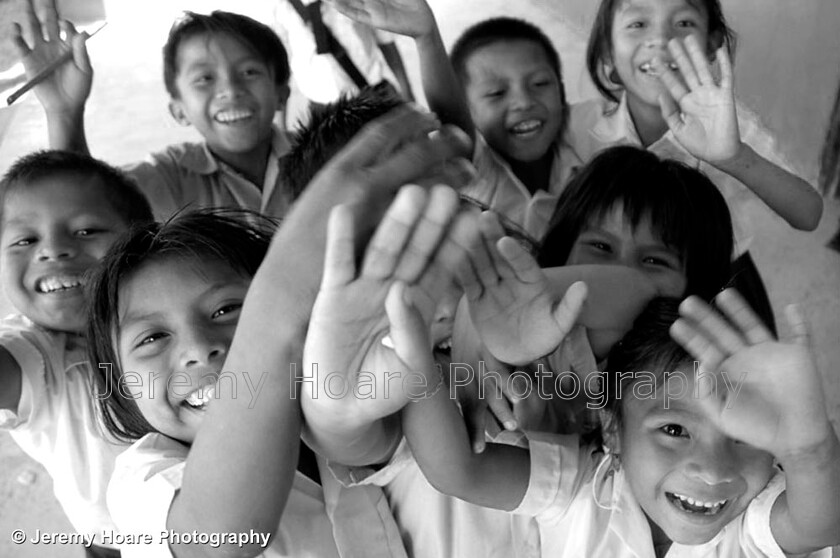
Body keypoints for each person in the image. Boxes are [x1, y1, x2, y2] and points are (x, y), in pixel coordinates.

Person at [399, 288, 840, 556]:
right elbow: (459, 470)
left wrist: (810, 449)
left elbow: (821, 524)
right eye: (674, 430)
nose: (711, 467)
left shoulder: (757, 517)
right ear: (612, 428)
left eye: (743, 437)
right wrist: (411, 353)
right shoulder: (578, 487)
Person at [0, 150, 154, 557]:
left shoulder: (176, 313)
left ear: (146, 240)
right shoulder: (36, 355)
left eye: (86, 231)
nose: (53, 250)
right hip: (116, 542)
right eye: (25, 240)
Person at [13, 2, 296, 220]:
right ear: (179, 111)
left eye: (249, 72)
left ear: (282, 93)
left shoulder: (322, 155)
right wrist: (64, 112)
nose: (231, 90)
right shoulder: (169, 177)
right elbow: (83, 206)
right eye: (205, 78)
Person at [571, 0, 823, 244]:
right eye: (638, 24)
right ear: (607, 48)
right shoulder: (578, 126)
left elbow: (808, 215)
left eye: (683, 22)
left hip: (714, 282)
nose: (660, 38)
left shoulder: (732, 126)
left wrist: (736, 159)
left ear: (711, 44)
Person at [330, 0, 581, 240]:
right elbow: (453, 128)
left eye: (540, 84)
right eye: (496, 93)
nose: (524, 102)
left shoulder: (589, 147)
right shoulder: (478, 173)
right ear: (468, 109)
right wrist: (427, 38)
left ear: (561, 90)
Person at [273, 0, 414, 108]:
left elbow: (386, 42)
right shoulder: (282, 6)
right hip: (321, 104)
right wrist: (280, 122)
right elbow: (279, 62)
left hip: (372, 93)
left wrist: (407, 93)